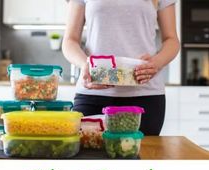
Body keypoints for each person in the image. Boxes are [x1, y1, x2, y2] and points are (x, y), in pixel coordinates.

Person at [62, 0, 180, 135]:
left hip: (144, 95)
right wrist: (84, 64)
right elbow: (70, 40)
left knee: (142, 154)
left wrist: (156, 63)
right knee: (88, 153)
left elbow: (171, 39)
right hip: (93, 93)